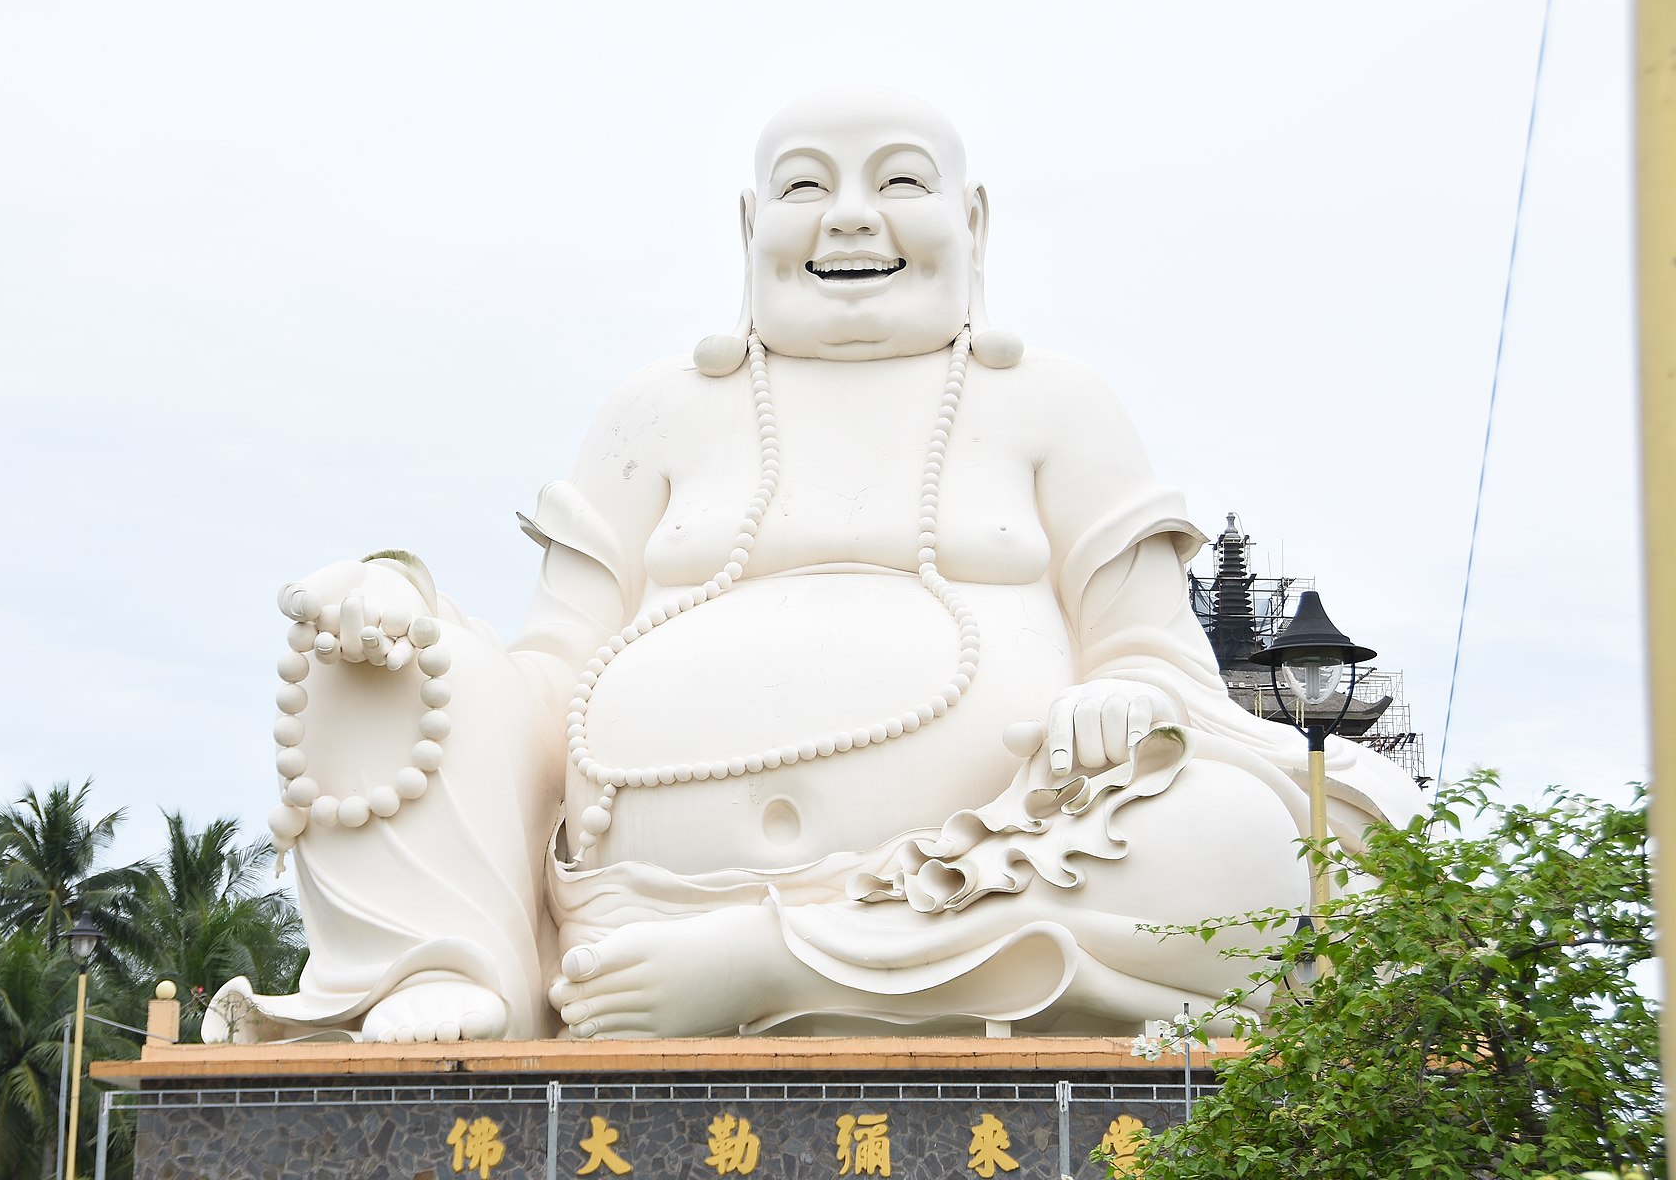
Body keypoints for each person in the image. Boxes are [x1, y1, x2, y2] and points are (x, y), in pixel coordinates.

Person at [207, 86, 1420, 1044]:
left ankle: (771, 963)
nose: (849, 214)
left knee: (1254, 850)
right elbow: (545, 676)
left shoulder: (1055, 406)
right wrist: (406, 614)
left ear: (974, 221)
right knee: (371, 651)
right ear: (749, 228)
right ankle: (461, 960)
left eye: (899, 180)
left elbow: (1159, 664)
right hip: (629, 902)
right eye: (805, 186)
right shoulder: (658, 412)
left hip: (999, 871)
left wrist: (1128, 702)